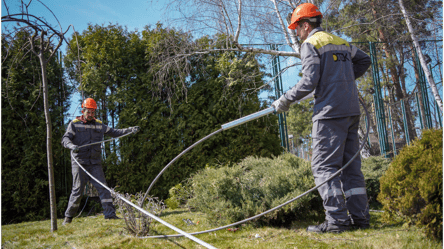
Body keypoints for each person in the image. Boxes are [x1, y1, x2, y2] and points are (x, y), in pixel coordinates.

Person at [272, 3, 372, 233]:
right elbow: (364, 60)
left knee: (323, 167)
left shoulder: (310, 44)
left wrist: (285, 100)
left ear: (306, 26)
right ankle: (360, 218)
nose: (296, 34)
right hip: (350, 110)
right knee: (351, 167)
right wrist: (343, 80)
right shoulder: (340, 41)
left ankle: (337, 221)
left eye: (297, 28)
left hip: (329, 113)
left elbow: (309, 82)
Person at [61, 98, 140, 225]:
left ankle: (110, 215)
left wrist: (130, 130)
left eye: (93, 112)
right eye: (88, 112)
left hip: (95, 164)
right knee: (77, 190)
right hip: (79, 162)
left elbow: (115, 132)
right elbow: (65, 139)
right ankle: (68, 217)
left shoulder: (99, 124)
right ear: (83, 111)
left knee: (103, 188)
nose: (91, 114)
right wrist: (71, 146)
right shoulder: (74, 124)